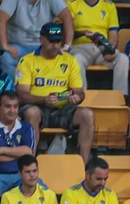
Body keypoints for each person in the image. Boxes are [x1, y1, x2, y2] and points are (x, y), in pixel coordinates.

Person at [15, 21, 93, 161]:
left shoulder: (69, 60)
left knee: (87, 114)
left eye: (58, 41)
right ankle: (29, 162)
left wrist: (76, 98)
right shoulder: (27, 61)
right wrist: (43, 100)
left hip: (63, 108)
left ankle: (84, 165)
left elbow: (79, 92)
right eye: (51, 41)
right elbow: (22, 95)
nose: (55, 45)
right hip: (38, 107)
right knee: (32, 113)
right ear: (41, 40)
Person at [67, 0, 130, 91]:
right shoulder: (72, 3)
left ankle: (120, 97)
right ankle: (80, 96)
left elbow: (113, 33)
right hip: (80, 48)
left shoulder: (109, 5)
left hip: (102, 48)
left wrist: (109, 50)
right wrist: (82, 33)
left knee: (122, 59)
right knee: (76, 60)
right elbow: (67, 32)